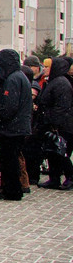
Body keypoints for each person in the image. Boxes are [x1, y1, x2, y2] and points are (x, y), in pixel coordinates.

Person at [0, 49, 31, 202]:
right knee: (9, 159)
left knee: (8, 160)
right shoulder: (19, 76)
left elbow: (9, 106)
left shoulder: (13, 79)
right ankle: (11, 189)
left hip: (12, 129)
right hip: (17, 127)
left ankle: (12, 191)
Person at [34, 56, 73, 189]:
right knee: (52, 152)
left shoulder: (61, 83)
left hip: (61, 125)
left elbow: (62, 107)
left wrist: (51, 120)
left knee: (60, 152)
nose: (44, 69)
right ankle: (54, 178)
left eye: (47, 67)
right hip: (53, 123)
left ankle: (70, 177)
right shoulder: (53, 81)